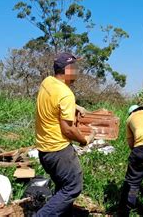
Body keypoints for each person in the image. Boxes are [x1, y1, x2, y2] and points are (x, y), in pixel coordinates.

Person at [35, 52, 95, 217]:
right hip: (59, 151)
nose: (77, 72)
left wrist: (75, 107)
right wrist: (85, 140)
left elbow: (54, 100)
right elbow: (68, 129)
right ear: (68, 70)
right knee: (73, 187)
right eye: (75, 68)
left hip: (44, 151)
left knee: (62, 186)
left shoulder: (47, 82)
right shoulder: (66, 94)